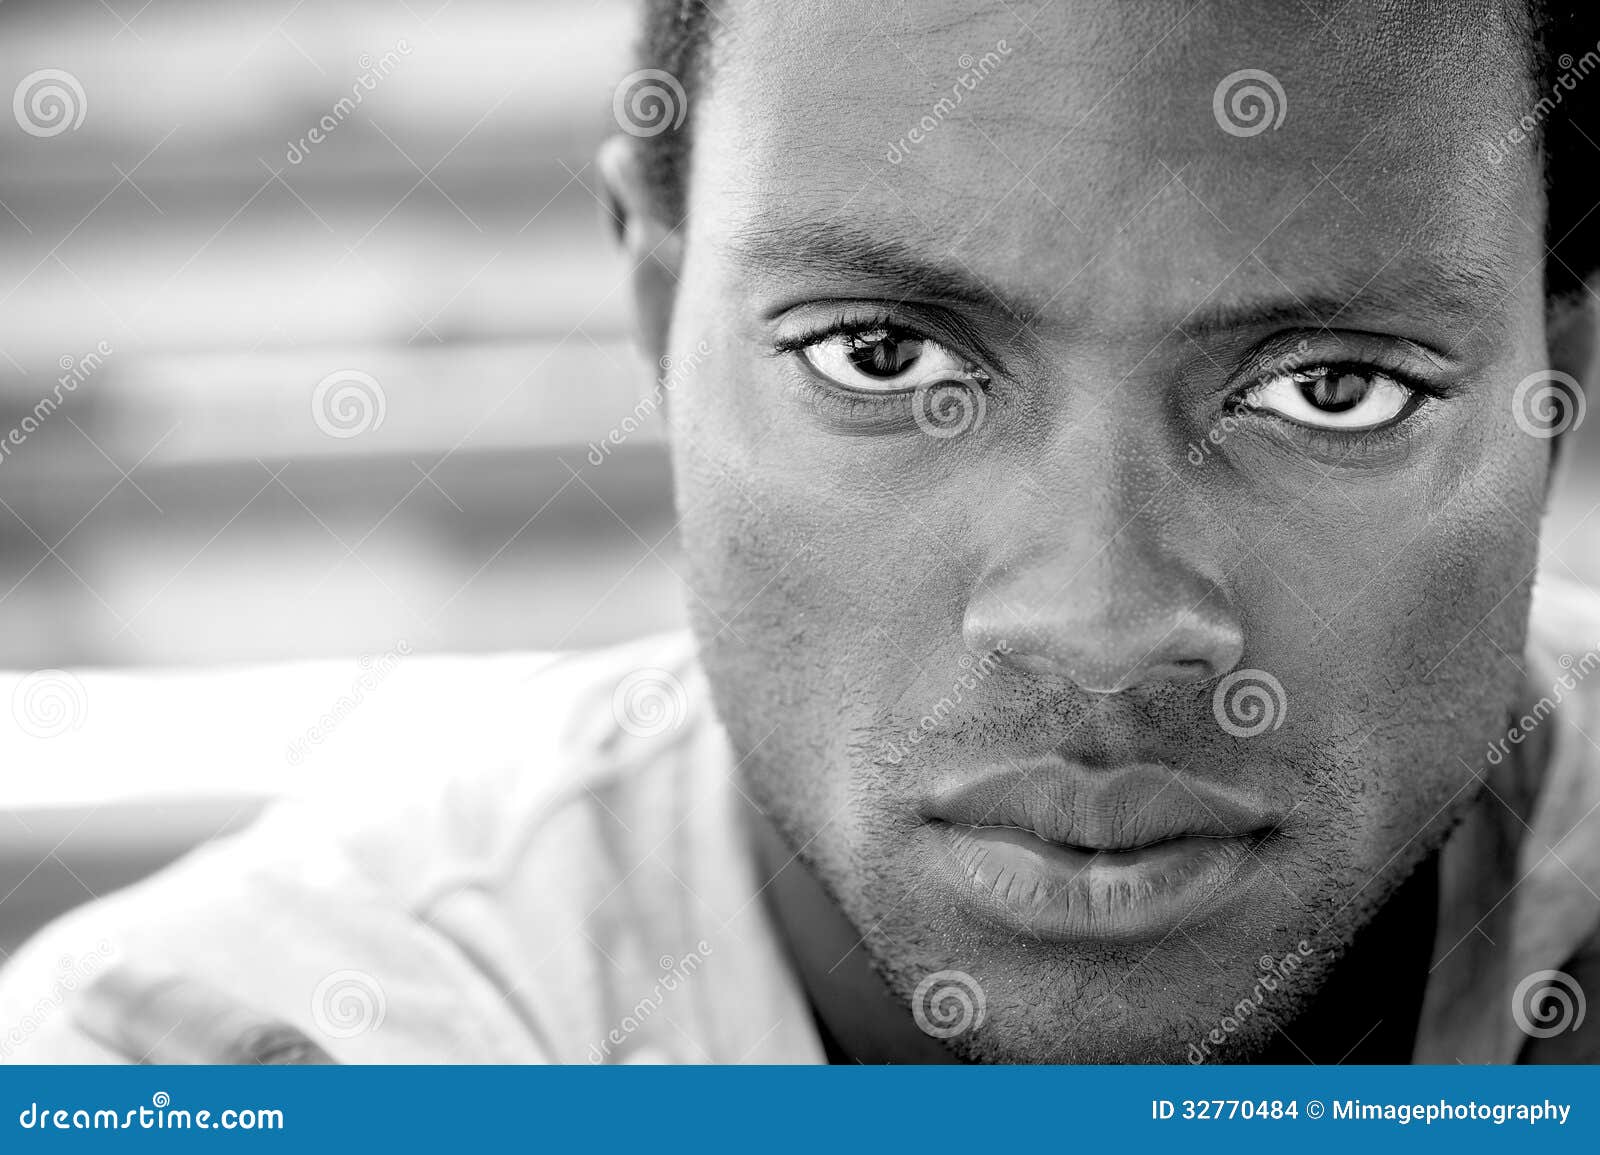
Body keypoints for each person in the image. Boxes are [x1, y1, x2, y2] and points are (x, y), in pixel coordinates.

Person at [3, 0, 1600, 1064]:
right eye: (882, 357)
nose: (1099, 623)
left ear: (1561, 374)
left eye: (1333, 387)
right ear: (656, 305)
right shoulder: (229, 1053)